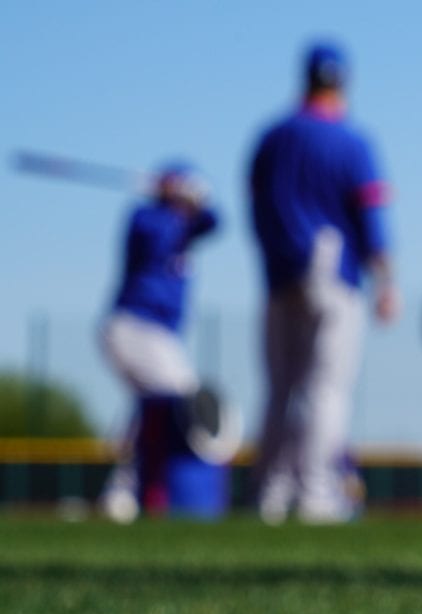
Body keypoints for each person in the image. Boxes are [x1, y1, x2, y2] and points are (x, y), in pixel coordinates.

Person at [248, 40, 397, 523]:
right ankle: (315, 495)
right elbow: (373, 218)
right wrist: (386, 280)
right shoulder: (352, 142)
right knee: (325, 389)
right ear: (343, 83)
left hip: (280, 273)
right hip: (333, 273)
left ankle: (269, 495)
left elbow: (255, 209)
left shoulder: (271, 138)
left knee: (280, 387)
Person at [96, 161, 220, 523]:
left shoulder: (189, 226)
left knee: (161, 407)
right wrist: (166, 195)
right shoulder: (148, 218)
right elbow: (157, 235)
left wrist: (190, 196)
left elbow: (216, 221)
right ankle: (129, 490)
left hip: (163, 335)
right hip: (134, 325)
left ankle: (129, 492)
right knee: (176, 401)